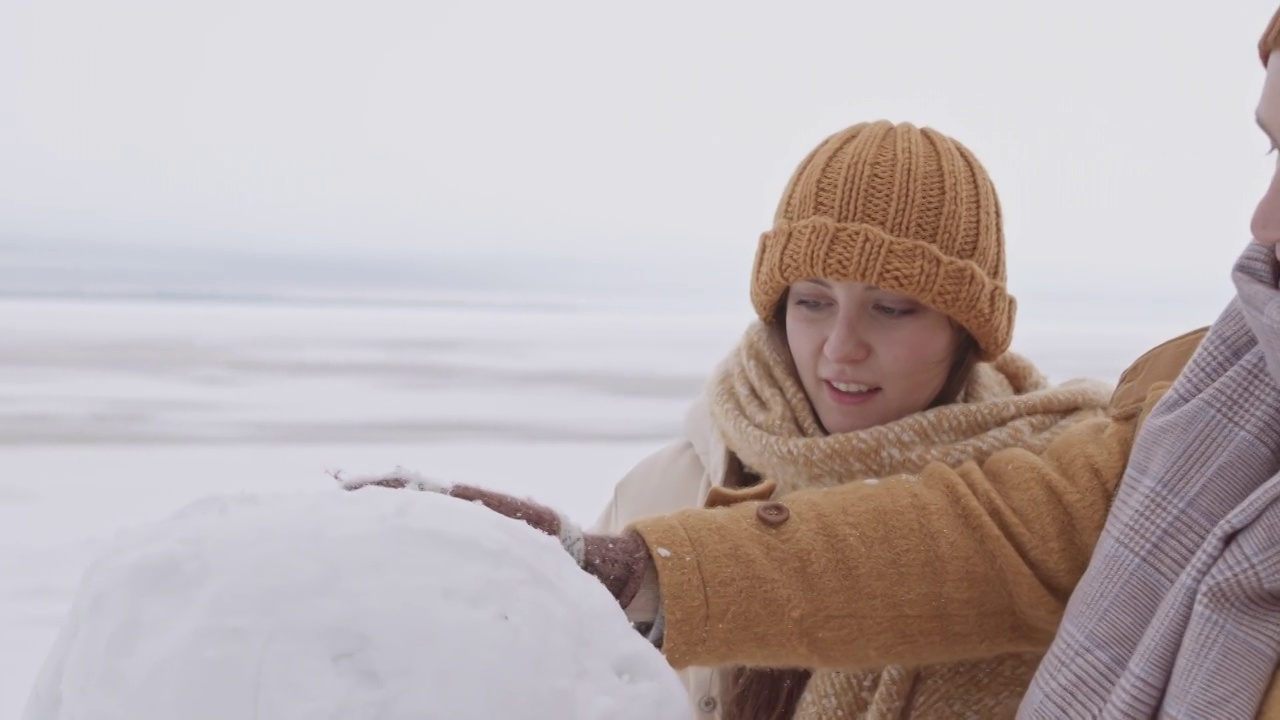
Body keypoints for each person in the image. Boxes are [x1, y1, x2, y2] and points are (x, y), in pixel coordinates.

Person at [345, 119, 1131, 720]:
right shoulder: (671, 486)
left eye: (892, 308)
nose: (840, 347)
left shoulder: (1048, 511)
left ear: (969, 332)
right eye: (812, 302)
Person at [1015, 8, 1280, 718]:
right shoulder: (1197, 387)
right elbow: (1002, 527)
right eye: (1274, 154)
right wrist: (681, 581)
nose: (1262, 225)